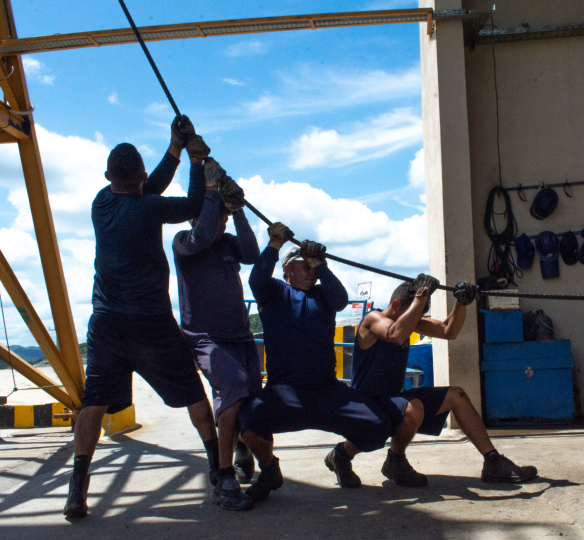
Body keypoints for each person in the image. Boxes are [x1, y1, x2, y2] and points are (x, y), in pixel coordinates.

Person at [64, 117, 222, 519]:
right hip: (150, 324)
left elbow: (146, 190)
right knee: (192, 393)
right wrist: (196, 163)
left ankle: (76, 492)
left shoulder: (102, 202)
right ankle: (219, 472)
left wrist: (175, 149)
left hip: (106, 325)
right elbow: (188, 205)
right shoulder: (147, 208)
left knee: (94, 401)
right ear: (140, 175)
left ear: (108, 176)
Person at [237, 228, 392, 501]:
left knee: (377, 427)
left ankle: (340, 456)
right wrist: (274, 244)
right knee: (247, 422)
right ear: (287, 270)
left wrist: (321, 265)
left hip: (326, 391)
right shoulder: (274, 293)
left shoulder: (324, 295)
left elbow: (341, 299)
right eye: (303, 266)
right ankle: (270, 469)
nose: (310, 272)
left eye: (312, 267)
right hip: (283, 392)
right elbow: (257, 279)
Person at [342, 277, 537, 487]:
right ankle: (351, 455)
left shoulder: (409, 321)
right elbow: (395, 334)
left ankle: (492, 462)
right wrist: (421, 298)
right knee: (410, 410)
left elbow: (447, 330)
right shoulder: (373, 319)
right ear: (397, 305)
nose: (417, 317)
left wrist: (461, 304)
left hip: (393, 400)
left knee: (456, 395)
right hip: (368, 405)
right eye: (415, 310)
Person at [172, 174, 260, 511]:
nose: (220, 224)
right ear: (196, 216)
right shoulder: (183, 242)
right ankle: (224, 478)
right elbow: (202, 235)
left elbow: (251, 253)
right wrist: (209, 191)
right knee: (234, 384)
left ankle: (240, 447)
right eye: (217, 217)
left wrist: (237, 212)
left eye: (223, 219)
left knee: (250, 395)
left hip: (239, 335)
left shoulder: (227, 245)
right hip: (205, 338)